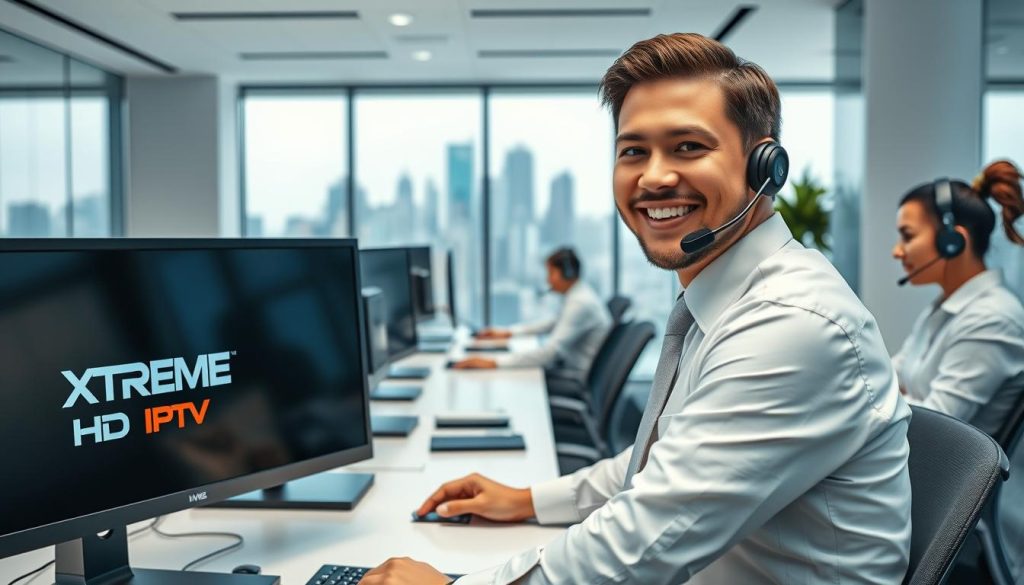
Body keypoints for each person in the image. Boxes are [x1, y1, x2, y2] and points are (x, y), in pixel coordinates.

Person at [363, 33, 911, 584]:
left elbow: (644, 541)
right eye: (633, 151)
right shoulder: (724, 304)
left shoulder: (791, 323)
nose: (652, 177)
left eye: (688, 147)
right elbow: (662, 469)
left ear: (764, 166)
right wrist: (529, 498)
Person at [891, 161, 1024, 438]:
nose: (897, 251)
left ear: (952, 240)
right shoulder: (945, 307)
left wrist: (896, 399)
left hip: (941, 475)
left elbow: (932, 427)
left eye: (908, 236)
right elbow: (890, 376)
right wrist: (902, 399)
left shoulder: (993, 318)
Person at [450, 247, 611, 376]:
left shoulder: (580, 303)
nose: (548, 280)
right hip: (568, 369)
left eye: (551, 273)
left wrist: (494, 362)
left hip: (573, 376)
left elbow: (550, 352)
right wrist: (508, 333)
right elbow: (551, 324)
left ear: (567, 273)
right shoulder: (577, 296)